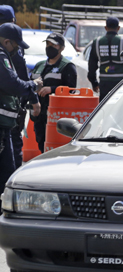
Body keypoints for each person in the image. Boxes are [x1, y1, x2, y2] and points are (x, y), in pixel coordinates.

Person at [0, 23, 43, 196]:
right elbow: (12, 84)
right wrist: (33, 85)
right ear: (7, 42)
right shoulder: (2, 55)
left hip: (5, 124)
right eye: (16, 46)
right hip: (1, 125)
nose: (17, 50)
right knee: (7, 172)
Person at [30, 32, 77, 153]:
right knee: (41, 142)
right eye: (48, 44)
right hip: (39, 114)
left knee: (53, 147)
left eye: (53, 45)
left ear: (61, 48)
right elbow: (29, 84)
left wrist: (52, 89)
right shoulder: (39, 65)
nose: (49, 47)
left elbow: (72, 89)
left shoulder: (67, 66)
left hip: (55, 116)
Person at [87, 17, 123, 101]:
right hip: (122, 82)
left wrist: (94, 83)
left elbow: (92, 64)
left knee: (105, 105)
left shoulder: (97, 42)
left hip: (104, 82)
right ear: (118, 28)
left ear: (106, 28)